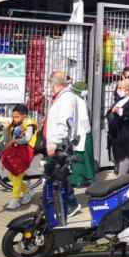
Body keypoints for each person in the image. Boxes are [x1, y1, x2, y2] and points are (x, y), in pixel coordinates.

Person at [44, 71, 90, 216]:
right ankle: (62, 202)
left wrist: (55, 143)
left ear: (56, 84)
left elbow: (64, 122)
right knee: (57, 175)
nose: (50, 87)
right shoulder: (62, 97)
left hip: (60, 144)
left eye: (51, 84)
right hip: (57, 143)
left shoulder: (67, 99)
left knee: (59, 175)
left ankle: (69, 204)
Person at [0, 104, 38, 210]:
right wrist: (5, 129)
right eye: (13, 117)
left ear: (24, 116)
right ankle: (27, 191)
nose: (14, 119)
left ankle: (15, 200)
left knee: (16, 175)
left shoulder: (29, 124)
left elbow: (26, 139)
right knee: (12, 176)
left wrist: (14, 140)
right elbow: (6, 139)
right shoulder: (14, 124)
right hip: (14, 152)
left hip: (25, 152)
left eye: (17, 117)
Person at [106, 78, 129, 176]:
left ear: (128, 90)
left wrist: (121, 112)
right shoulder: (120, 100)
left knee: (125, 157)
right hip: (116, 133)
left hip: (127, 134)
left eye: (121, 88)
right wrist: (112, 112)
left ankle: (121, 179)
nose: (119, 90)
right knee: (117, 156)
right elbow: (110, 113)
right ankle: (122, 174)